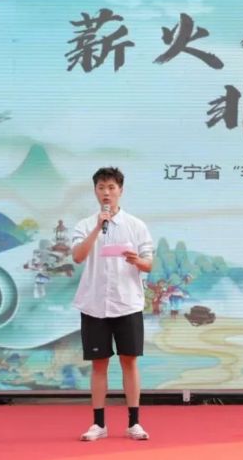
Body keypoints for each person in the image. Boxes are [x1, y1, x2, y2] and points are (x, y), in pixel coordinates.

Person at [72, 167, 154, 441]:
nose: (106, 193)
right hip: (94, 304)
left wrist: (137, 260)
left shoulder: (136, 225)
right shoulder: (85, 225)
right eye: (101, 188)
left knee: (129, 361)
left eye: (111, 188)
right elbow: (78, 257)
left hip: (127, 303)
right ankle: (98, 424)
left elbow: (148, 264)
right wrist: (98, 227)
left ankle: (134, 423)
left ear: (121, 190)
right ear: (95, 191)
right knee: (99, 364)